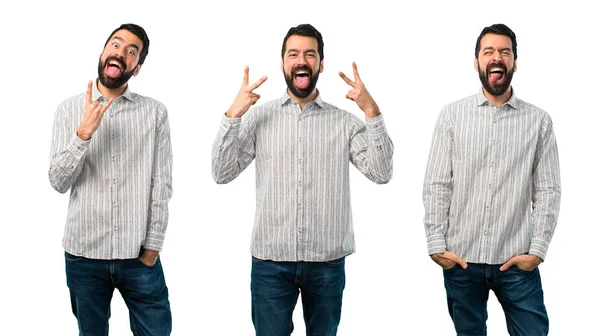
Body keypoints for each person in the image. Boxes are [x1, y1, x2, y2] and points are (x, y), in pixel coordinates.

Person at [212, 23, 393, 335]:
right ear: (283, 63)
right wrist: (234, 114)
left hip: (326, 263)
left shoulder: (345, 122)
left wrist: (371, 111)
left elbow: (381, 173)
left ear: (320, 64)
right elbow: (221, 172)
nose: (302, 60)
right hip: (270, 263)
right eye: (293, 54)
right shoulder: (258, 118)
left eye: (310, 54)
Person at [423, 23, 561, 335]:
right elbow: (437, 183)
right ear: (477, 62)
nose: (496, 57)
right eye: (489, 52)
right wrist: (435, 243)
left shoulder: (538, 121)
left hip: (516, 262)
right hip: (462, 261)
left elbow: (548, 190)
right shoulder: (452, 116)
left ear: (514, 62)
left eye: (504, 52)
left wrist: (537, 249)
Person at [49, 23, 172, 335]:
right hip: (84, 257)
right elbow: (58, 182)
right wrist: (82, 135)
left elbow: (162, 183)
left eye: (132, 52)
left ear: (137, 67)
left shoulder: (155, 113)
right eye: (115, 45)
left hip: (138, 256)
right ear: (103, 54)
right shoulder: (68, 110)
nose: (121, 53)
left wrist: (153, 247)